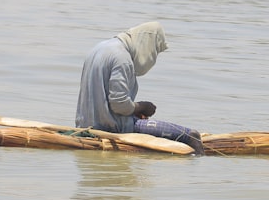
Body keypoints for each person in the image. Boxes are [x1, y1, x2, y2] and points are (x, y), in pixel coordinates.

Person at [76, 21, 204, 155]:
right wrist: (141, 107)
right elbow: (119, 105)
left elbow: (104, 98)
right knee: (191, 136)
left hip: (86, 125)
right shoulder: (122, 57)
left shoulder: (100, 47)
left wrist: (133, 110)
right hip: (111, 128)